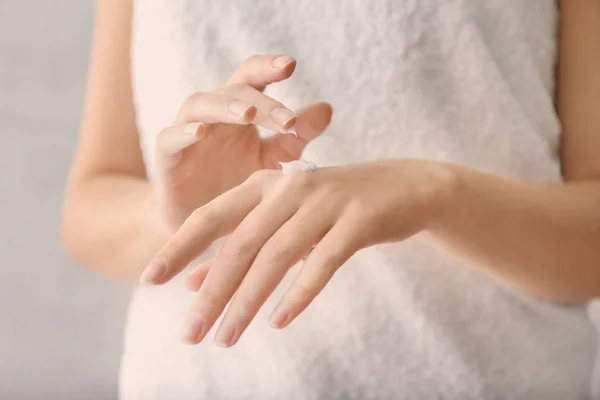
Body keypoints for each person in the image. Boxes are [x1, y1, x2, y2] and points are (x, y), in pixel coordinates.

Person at [61, 0, 600, 398]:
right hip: (204, 381)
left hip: (490, 375)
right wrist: (177, 215)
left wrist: (433, 192)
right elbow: (91, 205)